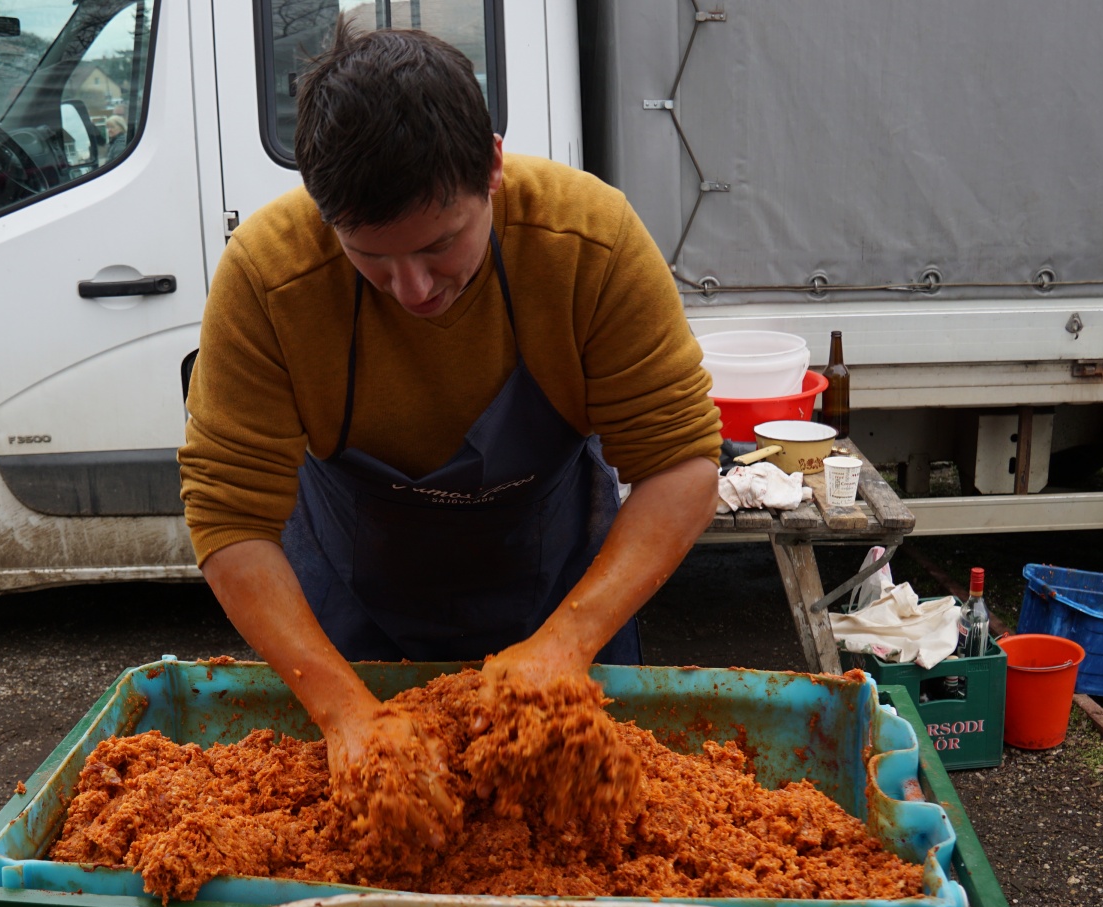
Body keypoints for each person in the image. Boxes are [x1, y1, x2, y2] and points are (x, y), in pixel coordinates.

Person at [178, 23, 720, 800]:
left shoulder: (586, 241)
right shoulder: (269, 276)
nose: (413, 289)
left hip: (556, 581)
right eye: (371, 257)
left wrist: (568, 644)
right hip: (352, 604)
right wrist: (343, 711)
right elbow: (229, 518)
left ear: (492, 166)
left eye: (440, 245)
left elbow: (680, 465)